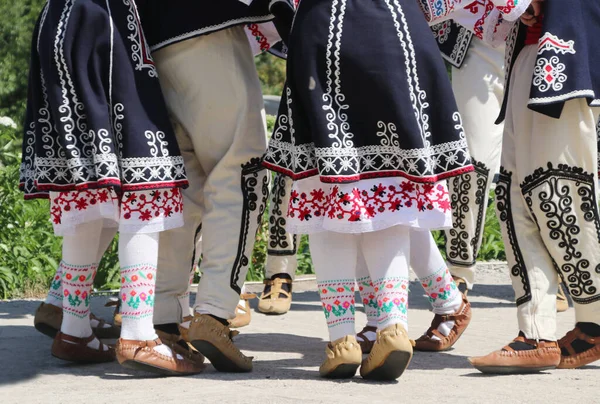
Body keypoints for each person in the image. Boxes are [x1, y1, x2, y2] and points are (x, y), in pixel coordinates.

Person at [263, 0, 473, 380]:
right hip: (394, 26)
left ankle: (342, 338)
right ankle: (392, 325)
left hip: (321, 31)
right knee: (389, 187)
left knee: (327, 190)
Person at [21, 0, 203, 375]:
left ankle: (73, 330)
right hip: (105, 23)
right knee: (144, 176)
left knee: (88, 187)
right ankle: (137, 331)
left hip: (62, 21)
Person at [443, 0, 600, 373]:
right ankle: (536, 333)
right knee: (516, 196)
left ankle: (593, 322)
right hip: (528, 50)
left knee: (559, 193)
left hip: (567, 50)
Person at [139, 0, 294, 373]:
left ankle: (164, 315)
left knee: (184, 183)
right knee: (239, 174)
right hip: (208, 25)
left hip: (149, 38)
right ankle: (214, 312)